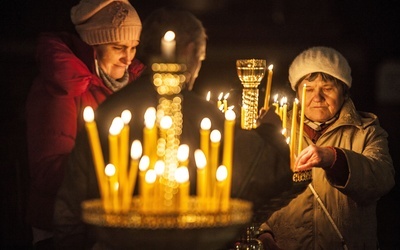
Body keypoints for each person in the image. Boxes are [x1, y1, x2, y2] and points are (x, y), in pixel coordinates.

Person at [53, 7, 296, 249]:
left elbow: (69, 210)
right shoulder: (200, 115)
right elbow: (267, 174)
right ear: (189, 50)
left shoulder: (109, 111)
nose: (197, 69)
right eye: (200, 59)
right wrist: (270, 132)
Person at [25, 0, 145, 248]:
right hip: (64, 229)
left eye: (133, 47)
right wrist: (115, 166)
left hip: (114, 224)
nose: (128, 59)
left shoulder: (134, 87)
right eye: (118, 47)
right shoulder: (60, 87)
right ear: (92, 46)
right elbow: (47, 170)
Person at [257, 46, 395, 249]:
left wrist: (333, 158)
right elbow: (253, 188)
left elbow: (382, 179)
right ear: (296, 92)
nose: (318, 97)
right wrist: (262, 232)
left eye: (327, 88)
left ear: (344, 91)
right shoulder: (275, 131)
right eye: (308, 89)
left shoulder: (366, 132)